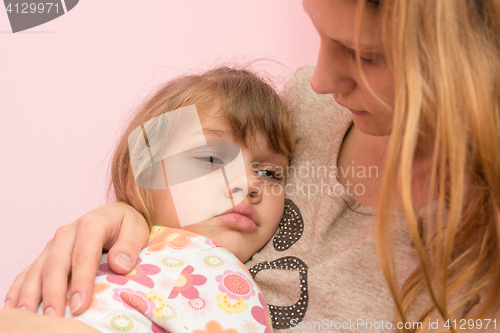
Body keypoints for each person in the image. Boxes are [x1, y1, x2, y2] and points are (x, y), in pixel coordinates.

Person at [4, 0, 500, 332]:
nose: (320, 79)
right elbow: (169, 170)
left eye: (364, 55)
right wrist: (132, 218)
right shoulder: (302, 111)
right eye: (318, 34)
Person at [2, 66, 294, 333]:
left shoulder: (231, 280)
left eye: (270, 173)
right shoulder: (95, 241)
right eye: (211, 158)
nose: (249, 183)